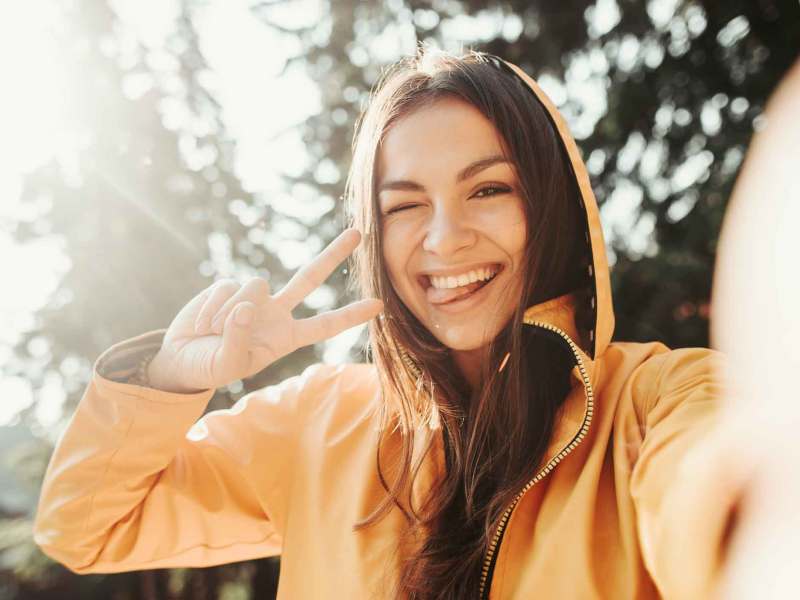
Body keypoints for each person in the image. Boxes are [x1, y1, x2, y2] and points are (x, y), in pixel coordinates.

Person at [31, 47, 795, 599]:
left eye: (488, 189)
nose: (443, 239)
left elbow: (733, 512)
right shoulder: (317, 423)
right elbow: (85, 527)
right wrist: (169, 380)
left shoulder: (654, 403)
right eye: (404, 206)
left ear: (551, 205)